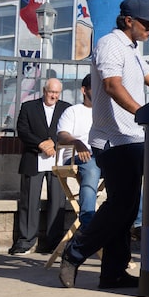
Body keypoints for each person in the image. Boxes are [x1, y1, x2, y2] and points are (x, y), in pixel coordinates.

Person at [59, 0, 149, 290]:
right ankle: (73, 254)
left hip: (134, 137)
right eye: (145, 22)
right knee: (120, 206)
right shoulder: (110, 44)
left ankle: (113, 272)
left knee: (125, 208)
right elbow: (113, 85)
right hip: (114, 140)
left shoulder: (133, 50)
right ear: (128, 21)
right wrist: (142, 112)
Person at [9, 77, 70, 255]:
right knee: (29, 201)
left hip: (57, 160)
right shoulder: (28, 107)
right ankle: (25, 241)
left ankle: (54, 243)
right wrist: (41, 144)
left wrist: (54, 143)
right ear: (44, 91)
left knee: (57, 202)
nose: (54, 96)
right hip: (33, 159)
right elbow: (23, 130)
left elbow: (70, 131)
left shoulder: (66, 108)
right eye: (51, 92)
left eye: (57, 93)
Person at [56, 74, 100, 228]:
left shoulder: (105, 113)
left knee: (129, 170)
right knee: (92, 167)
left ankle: (138, 222)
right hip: (77, 157)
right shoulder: (73, 111)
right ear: (84, 90)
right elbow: (62, 135)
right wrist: (76, 142)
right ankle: (87, 223)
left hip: (101, 156)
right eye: (95, 88)